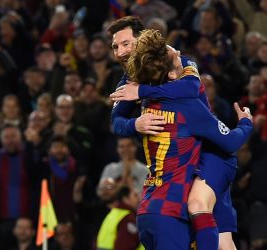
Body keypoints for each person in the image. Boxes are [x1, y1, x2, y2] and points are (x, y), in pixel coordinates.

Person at [108, 16, 252, 250]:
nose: (120, 52)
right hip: (184, 157)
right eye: (115, 46)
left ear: (142, 41)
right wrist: (136, 124)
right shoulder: (130, 81)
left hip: (212, 152)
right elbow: (116, 123)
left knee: (197, 206)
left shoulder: (174, 60)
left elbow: (190, 87)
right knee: (223, 242)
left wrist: (141, 91)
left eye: (126, 44)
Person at [97, 186, 144, 250]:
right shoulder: (128, 219)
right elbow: (125, 246)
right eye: (135, 195)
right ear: (126, 199)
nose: (139, 199)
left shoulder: (114, 213)